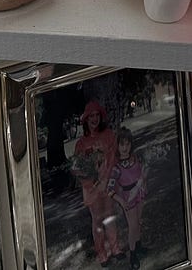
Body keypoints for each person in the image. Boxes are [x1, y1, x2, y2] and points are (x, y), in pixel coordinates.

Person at [73, 99, 122, 267]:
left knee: (110, 217)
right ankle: (102, 254)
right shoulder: (81, 143)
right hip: (92, 189)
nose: (94, 119)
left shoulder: (108, 135)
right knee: (97, 221)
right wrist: (91, 181)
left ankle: (115, 249)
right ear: (86, 119)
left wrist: (105, 180)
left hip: (107, 185)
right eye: (91, 116)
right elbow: (77, 168)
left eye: (97, 115)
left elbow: (113, 159)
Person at [107, 128, 149, 269]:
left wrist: (143, 180)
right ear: (117, 147)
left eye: (127, 144)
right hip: (128, 198)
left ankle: (139, 246)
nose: (125, 148)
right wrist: (121, 200)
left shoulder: (135, 159)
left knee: (138, 222)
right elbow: (109, 190)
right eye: (122, 145)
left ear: (131, 144)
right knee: (132, 226)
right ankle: (133, 255)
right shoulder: (117, 168)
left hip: (140, 195)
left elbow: (141, 174)